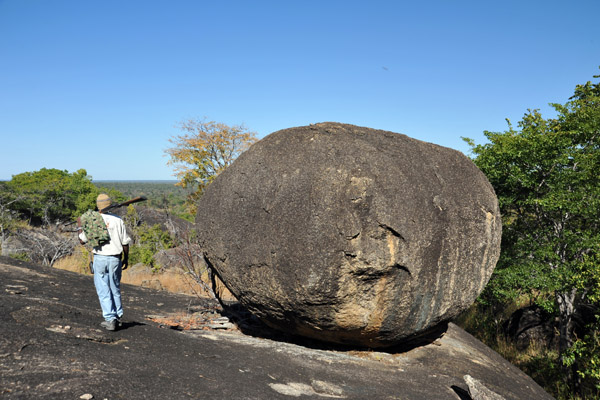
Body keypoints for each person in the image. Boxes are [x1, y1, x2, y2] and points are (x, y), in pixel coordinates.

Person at [77, 194, 131, 331]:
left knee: (103, 289)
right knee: (115, 287)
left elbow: (82, 240)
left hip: (100, 258)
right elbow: (125, 242)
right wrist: (126, 257)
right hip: (115, 258)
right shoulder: (118, 220)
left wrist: (80, 226)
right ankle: (118, 316)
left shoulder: (92, 219)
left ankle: (110, 318)